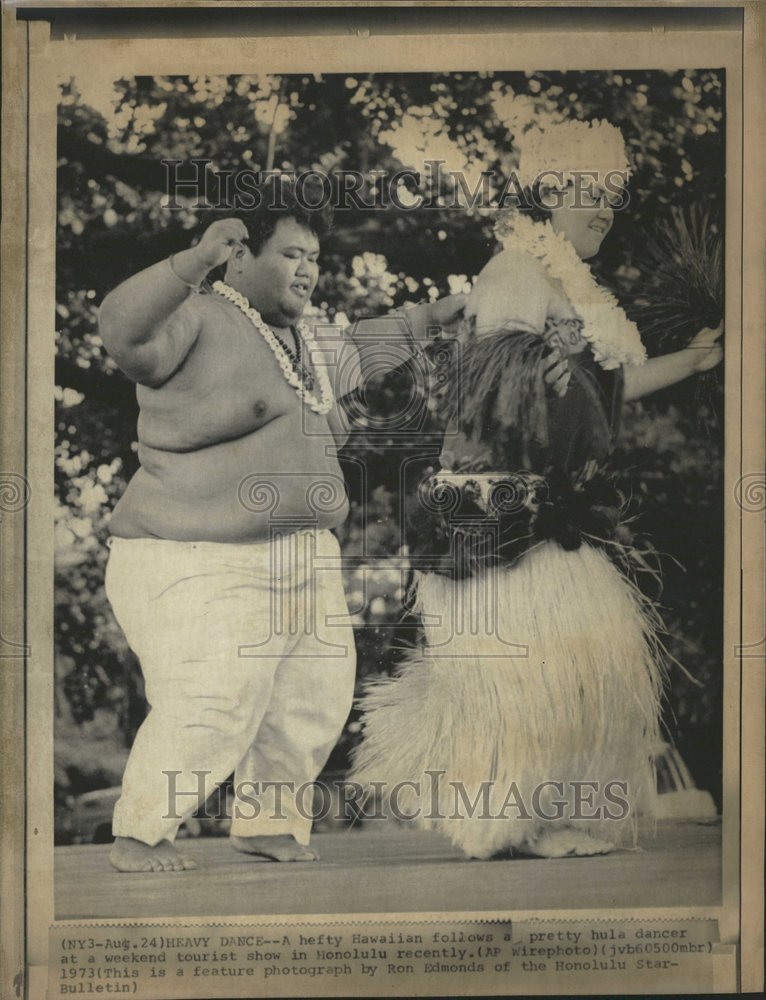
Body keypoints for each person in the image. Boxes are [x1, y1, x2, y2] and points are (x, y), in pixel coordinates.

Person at [350, 119, 723, 860]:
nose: (608, 207)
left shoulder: (571, 286)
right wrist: (548, 376)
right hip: (495, 511)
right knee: (522, 671)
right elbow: (495, 385)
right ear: (550, 191)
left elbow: (607, 393)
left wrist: (695, 359)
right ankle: (505, 824)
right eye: (594, 192)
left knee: (587, 665)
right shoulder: (516, 271)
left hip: (541, 505)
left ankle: (550, 811)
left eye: (616, 195)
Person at [98, 181, 466, 872]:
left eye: (315, 258)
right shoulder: (198, 316)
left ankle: (268, 822)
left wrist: (445, 312)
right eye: (291, 253)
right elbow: (122, 330)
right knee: (214, 692)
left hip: (303, 556)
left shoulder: (308, 345)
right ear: (239, 257)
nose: (307, 269)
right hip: (194, 554)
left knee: (313, 696)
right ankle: (139, 833)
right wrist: (191, 261)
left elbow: (370, 342)